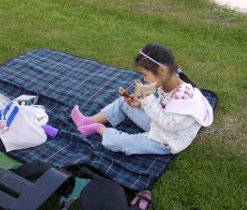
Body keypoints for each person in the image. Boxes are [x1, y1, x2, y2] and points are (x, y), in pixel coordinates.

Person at [70, 43, 213, 155]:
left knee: (119, 143)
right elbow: (163, 107)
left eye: (145, 74)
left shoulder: (184, 98)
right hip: (158, 123)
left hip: (166, 140)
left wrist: (148, 99)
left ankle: (98, 128)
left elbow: (167, 124)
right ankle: (87, 121)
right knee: (124, 103)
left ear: (162, 70)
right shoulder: (166, 82)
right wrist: (140, 105)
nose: (143, 78)